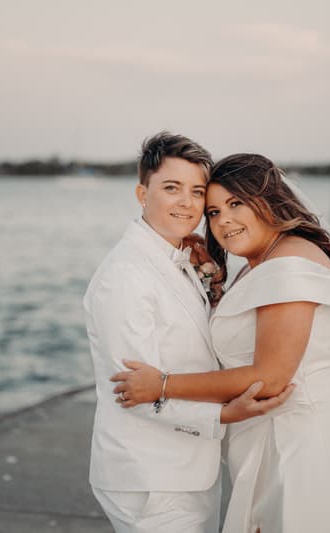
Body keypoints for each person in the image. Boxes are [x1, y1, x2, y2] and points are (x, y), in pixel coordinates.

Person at [111, 154, 330, 532]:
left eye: (235, 203)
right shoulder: (265, 262)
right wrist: (212, 285)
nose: (223, 220)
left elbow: (271, 376)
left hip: (306, 450)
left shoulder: (287, 265)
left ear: (267, 200)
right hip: (281, 441)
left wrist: (162, 385)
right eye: (212, 212)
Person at [83, 136, 293, 533]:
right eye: (171, 188)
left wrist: (212, 287)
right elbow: (133, 392)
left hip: (185, 468)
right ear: (142, 193)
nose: (186, 202)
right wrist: (223, 415)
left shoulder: (180, 258)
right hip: (151, 476)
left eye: (197, 191)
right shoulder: (125, 277)